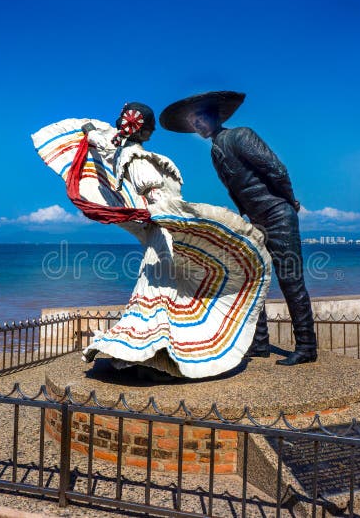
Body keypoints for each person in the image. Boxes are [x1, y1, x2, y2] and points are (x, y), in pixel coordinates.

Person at [32, 103, 271, 379]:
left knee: (160, 297)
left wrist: (90, 129)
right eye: (150, 128)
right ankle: (155, 356)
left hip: (157, 236)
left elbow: (96, 137)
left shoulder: (120, 152)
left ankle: (151, 356)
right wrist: (188, 219)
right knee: (165, 295)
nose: (153, 133)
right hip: (163, 234)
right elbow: (159, 201)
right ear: (144, 131)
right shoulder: (138, 161)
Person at [159, 91, 318, 366]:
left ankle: (307, 346)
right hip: (255, 222)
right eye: (193, 122)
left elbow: (276, 169)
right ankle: (260, 343)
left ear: (215, 116)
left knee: (291, 282)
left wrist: (290, 201)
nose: (197, 126)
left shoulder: (241, 135)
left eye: (200, 119)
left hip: (277, 216)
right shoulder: (215, 150)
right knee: (252, 279)